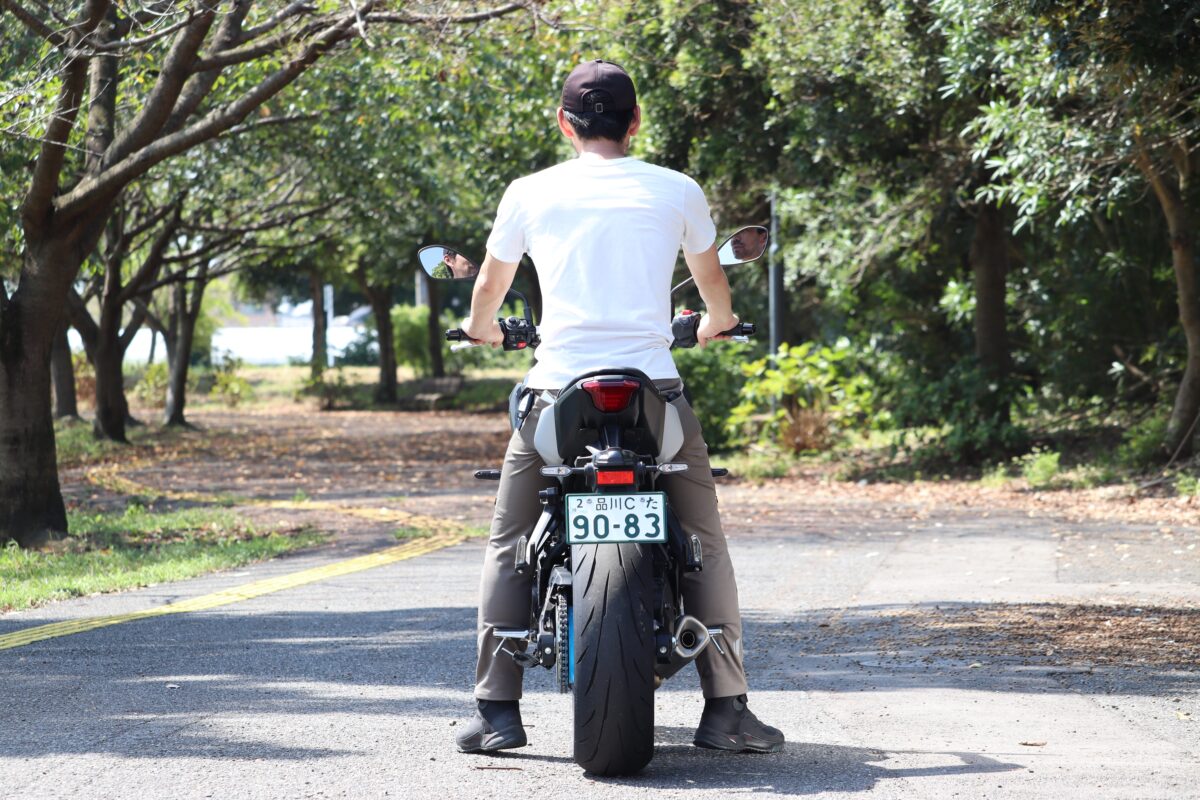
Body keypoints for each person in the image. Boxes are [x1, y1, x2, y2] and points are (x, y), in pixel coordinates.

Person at [454, 59, 785, 756]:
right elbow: (713, 283)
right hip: (653, 394)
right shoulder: (676, 188)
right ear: (634, 122)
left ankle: (496, 710)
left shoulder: (529, 192)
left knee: (510, 540)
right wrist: (716, 323)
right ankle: (727, 709)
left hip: (556, 392)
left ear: (564, 123)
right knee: (703, 539)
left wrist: (482, 330)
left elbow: (488, 287)